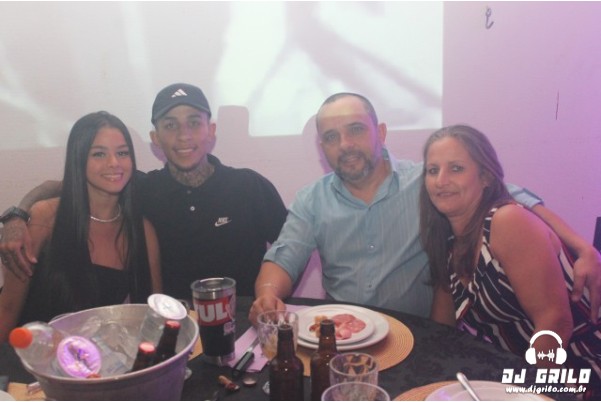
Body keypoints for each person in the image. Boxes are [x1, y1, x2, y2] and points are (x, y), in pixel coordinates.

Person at [250, 92, 601, 323]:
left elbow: (508, 195)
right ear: (322, 146)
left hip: (418, 337)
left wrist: (582, 247)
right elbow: (284, 256)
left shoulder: (430, 182)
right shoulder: (311, 199)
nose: (345, 145)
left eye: (355, 130)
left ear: (380, 132)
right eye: (331, 137)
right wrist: (267, 295)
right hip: (344, 336)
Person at [0, 83, 287, 299]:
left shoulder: (249, 186)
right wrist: (15, 216)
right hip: (176, 334)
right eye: (170, 125)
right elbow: (59, 185)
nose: (183, 135)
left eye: (194, 122)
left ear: (210, 131)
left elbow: (292, 250)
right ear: (155, 138)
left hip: (245, 331)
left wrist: (272, 298)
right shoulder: (140, 189)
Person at [420, 124, 600, 398]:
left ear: (485, 177)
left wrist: (530, 392)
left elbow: (555, 321)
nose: (440, 180)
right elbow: (442, 331)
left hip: (573, 370)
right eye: (432, 170)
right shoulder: (447, 241)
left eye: (456, 168)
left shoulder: (507, 221)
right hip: (507, 372)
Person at [0, 111, 162, 343]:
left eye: (122, 153)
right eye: (99, 154)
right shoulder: (46, 218)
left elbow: (154, 318)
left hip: (103, 363)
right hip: (33, 360)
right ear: (79, 158)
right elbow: (7, 310)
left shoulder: (143, 232)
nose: (114, 163)